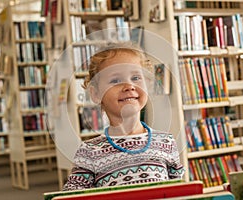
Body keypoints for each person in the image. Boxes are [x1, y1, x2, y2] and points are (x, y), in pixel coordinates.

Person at [63, 42, 184, 190]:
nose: (129, 86)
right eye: (115, 80)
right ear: (96, 94)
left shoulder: (166, 142)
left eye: (136, 78)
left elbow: (178, 189)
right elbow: (72, 194)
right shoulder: (89, 152)